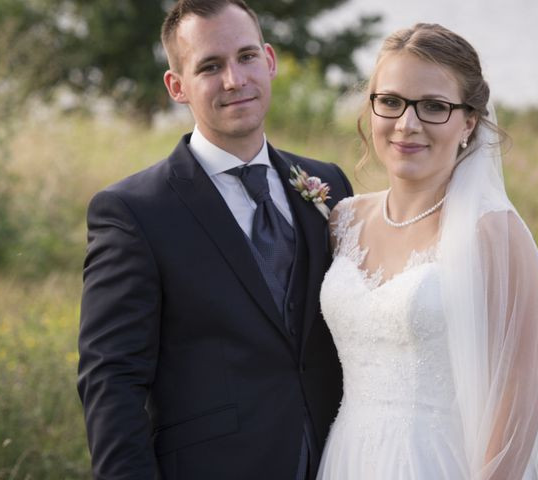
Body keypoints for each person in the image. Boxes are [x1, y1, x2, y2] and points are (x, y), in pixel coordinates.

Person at [77, 1, 353, 478]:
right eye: (210, 66)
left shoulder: (328, 184)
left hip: (339, 460)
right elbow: (111, 380)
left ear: (269, 60)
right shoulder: (133, 212)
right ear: (177, 86)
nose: (234, 80)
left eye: (246, 57)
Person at [316, 24, 538, 479]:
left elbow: (521, 392)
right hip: (347, 458)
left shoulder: (494, 232)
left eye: (434, 106)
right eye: (391, 101)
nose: (407, 124)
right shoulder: (344, 220)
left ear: (468, 121)